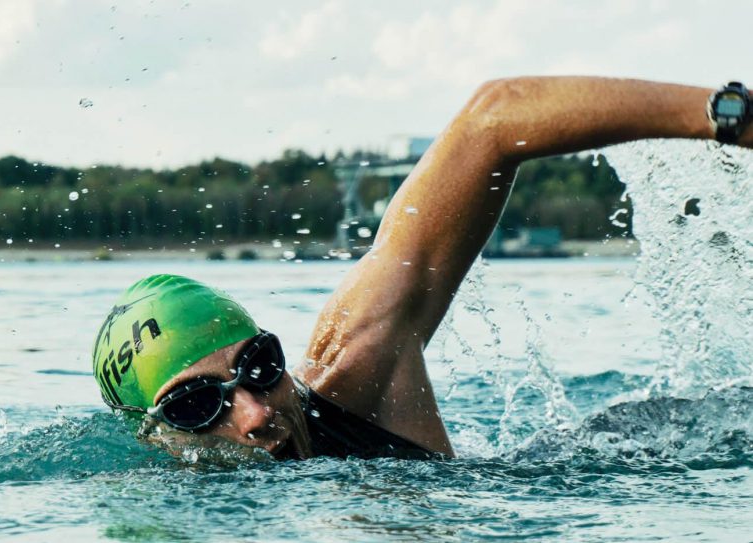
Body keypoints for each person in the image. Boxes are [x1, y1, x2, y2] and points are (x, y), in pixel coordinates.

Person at [92, 77, 752, 460]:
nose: (257, 413)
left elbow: (493, 119)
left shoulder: (355, 378)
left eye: (259, 367)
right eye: (197, 405)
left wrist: (735, 116)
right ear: (153, 437)